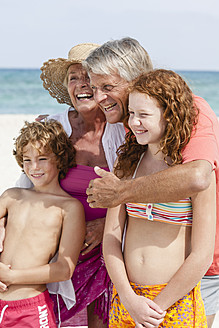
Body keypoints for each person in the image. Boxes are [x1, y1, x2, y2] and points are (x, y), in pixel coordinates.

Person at [84, 37, 219, 327]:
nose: (99, 98)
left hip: (186, 287)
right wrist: (129, 298)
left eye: (107, 87)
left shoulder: (195, 111)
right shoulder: (130, 153)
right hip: (129, 298)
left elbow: (197, 177)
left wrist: (120, 192)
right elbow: (114, 237)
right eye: (94, 88)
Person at [17, 43, 126, 327]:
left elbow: (137, 190)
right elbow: (24, 189)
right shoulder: (52, 128)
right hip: (60, 250)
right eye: (73, 78)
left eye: (88, 77)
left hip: (110, 247)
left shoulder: (122, 129)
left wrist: (106, 227)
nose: (81, 85)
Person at [0, 120, 85, 327]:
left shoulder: (69, 207)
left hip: (30, 309)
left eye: (42, 158)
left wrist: (12, 276)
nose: (34, 167)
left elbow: (64, 269)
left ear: (60, 158)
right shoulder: (12, 196)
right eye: (27, 160)